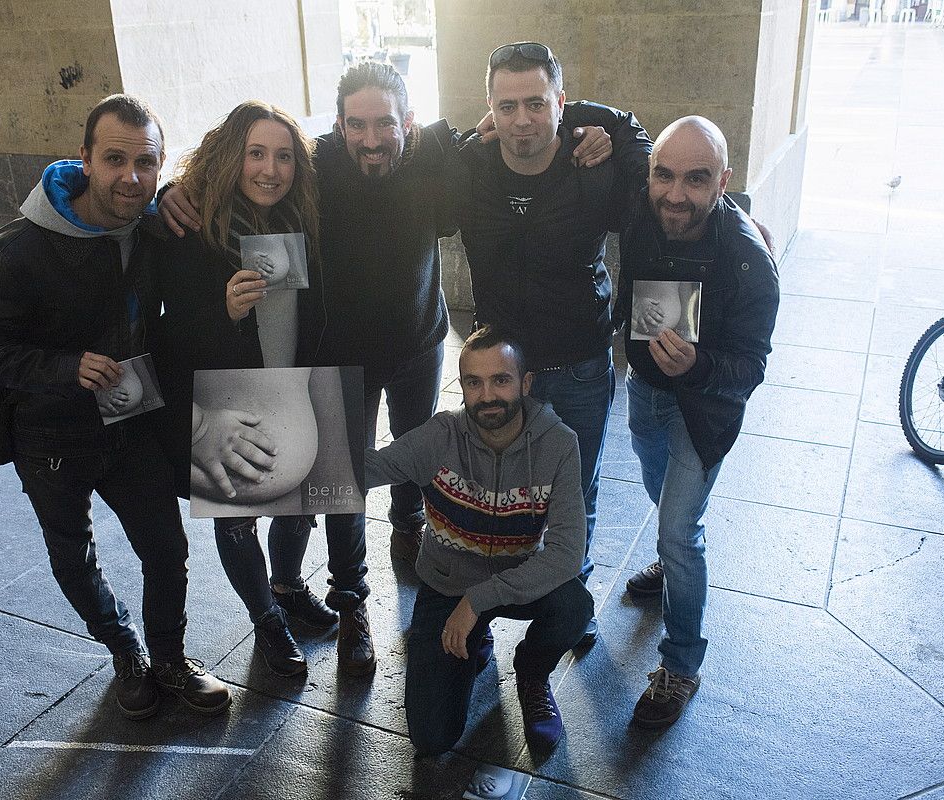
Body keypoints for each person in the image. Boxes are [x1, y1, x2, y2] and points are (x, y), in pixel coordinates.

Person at [157, 62, 612, 676]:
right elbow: (247, 169)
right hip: (340, 355)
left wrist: (590, 125)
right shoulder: (316, 166)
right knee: (342, 486)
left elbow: (523, 123)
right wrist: (170, 192)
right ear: (340, 125)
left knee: (418, 449)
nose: (371, 139)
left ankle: (408, 527)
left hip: (420, 343)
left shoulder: (434, 155)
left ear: (410, 122)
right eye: (357, 125)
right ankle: (353, 609)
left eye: (385, 124)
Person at [0, 94, 230, 720]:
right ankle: (124, 650)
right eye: (114, 160)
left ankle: (168, 656)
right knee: (73, 553)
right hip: (50, 433)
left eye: (146, 163)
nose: (131, 178)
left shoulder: (153, 230)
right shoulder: (21, 247)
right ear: (83, 159)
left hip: (131, 419)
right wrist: (62, 367)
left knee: (165, 548)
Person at [450, 41, 654, 644]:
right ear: (489, 109)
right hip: (501, 371)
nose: (521, 121)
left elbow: (655, 178)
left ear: (561, 103)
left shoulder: (594, 165)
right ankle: (485, 604)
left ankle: (570, 602)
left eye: (536, 104)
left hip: (581, 363)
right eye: (506, 106)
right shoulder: (472, 169)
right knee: (491, 492)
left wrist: (614, 127)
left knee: (576, 494)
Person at [150, 101, 336, 679]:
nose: (269, 169)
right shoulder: (191, 227)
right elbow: (163, 332)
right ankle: (266, 620)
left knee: (300, 502)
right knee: (236, 519)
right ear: (231, 156)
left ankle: (286, 584)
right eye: (255, 153)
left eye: (283, 156)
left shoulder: (302, 216)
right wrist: (220, 310)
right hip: (226, 400)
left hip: (291, 384)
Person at [616, 116, 779, 729]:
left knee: (681, 530)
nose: (676, 194)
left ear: (723, 182)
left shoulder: (747, 262)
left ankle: (681, 663)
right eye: (664, 175)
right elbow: (600, 125)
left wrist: (699, 364)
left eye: (697, 179)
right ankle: (670, 557)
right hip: (646, 391)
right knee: (663, 501)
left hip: (704, 409)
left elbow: (750, 369)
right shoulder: (642, 208)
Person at [366, 326, 593, 755]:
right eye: (474, 382)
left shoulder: (559, 445)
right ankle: (472, 643)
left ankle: (531, 673)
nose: (487, 395)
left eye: (500, 380)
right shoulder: (440, 436)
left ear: (525, 384)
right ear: (463, 386)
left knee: (574, 606)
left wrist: (477, 602)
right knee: (432, 739)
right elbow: (371, 470)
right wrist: (302, 445)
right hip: (447, 584)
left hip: (513, 579)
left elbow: (566, 554)